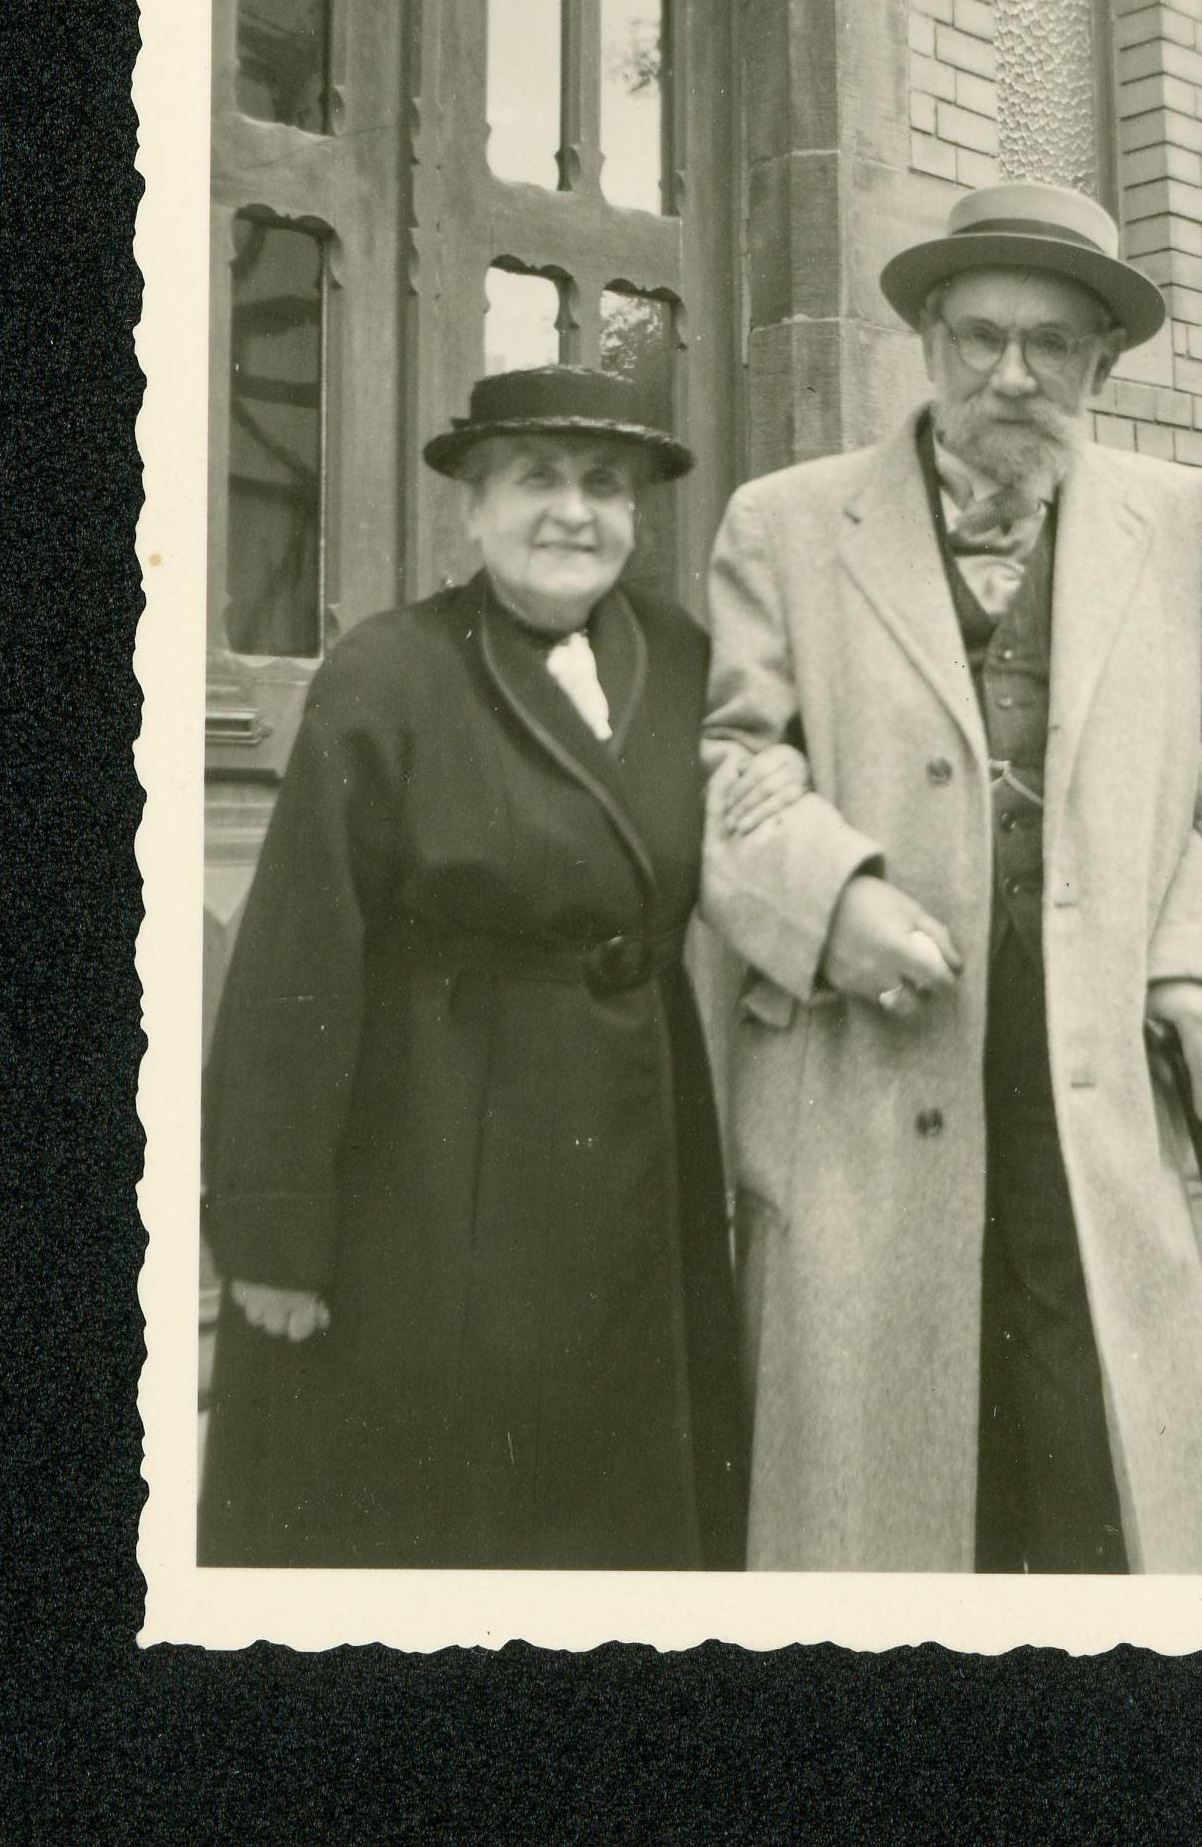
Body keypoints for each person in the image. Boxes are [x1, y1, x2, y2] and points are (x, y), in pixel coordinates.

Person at [698, 181, 1202, 1574]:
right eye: (980, 336)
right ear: (926, 338)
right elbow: (737, 763)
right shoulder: (785, 522)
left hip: (1099, 1040)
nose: (1013, 374)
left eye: (1052, 344)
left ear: (1102, 360)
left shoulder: (1187, 524)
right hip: (873, 1040)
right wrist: (828, 900)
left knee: (1093, 1435)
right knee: (892, 1455)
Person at [199, 366, 804, 1568]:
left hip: (638, 1140)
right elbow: (295, 963)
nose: (574, 511)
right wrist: (273, 1237)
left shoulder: (686, 659)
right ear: (472, 509)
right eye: (537, 479)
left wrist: (778, 771)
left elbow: (755, 796)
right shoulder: (386, 671)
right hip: (431, 1151)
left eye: (605, 485)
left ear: (635, 518)